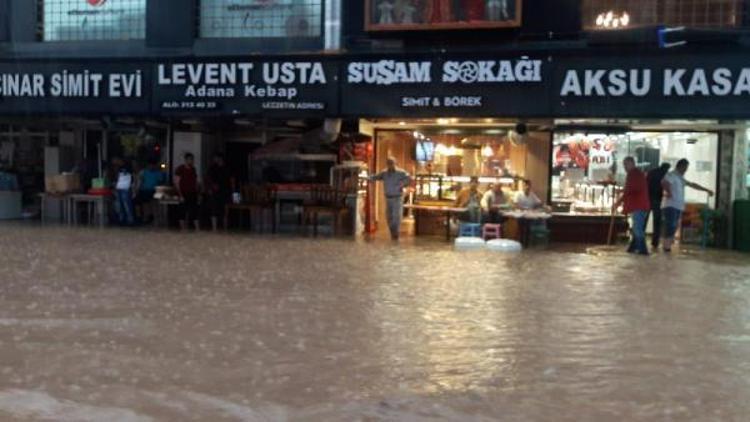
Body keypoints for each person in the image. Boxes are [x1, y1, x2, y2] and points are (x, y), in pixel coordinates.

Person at [661, 158, 714, 253]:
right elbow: (664, 182)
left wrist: (706, 190)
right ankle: (666, 245)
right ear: (680, 166)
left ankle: (667, 243)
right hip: (670, 205)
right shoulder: (672, 175)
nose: (686, 170)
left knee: (675, 225)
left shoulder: (680, 178)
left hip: (678, 206)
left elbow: (693, 185)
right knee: (671, 225)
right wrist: (669, 193)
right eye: (685, 168)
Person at [613, 157, 650, 255]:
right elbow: (631, 189)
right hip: (640, 205)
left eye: (626, 164)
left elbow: (631, 190)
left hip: (639, 205)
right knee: (636, 228)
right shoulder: (635, 174)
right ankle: (632, 248)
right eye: (624, 165)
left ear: (632, 163)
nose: (625, 167)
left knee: (637, 229)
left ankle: (643, 250)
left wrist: (618, 202)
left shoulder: (634, 174)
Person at [370, 157, 411, 241]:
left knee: (396, 217)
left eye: (392, 163)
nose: (390, 165)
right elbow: (376, 177)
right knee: (389, 217)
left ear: (395, 163)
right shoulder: (384, 173)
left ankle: (395, 234)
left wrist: (402, 185)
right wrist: (367, 177)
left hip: (397, 198)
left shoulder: (401, 173)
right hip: (388, 198)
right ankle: (393, 233)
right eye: (388, 163)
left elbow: (409, 179)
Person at [646, 163, 671, 249]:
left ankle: (639, 240)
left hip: (647, 198)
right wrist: (668, 193)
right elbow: (665, 185)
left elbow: (646, 183)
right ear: (666, 168)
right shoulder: (664, 174)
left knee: (644, 220)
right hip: (657, 199)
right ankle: (655, 242)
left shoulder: (651, 172)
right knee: (657, 221)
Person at [205, 153, 232, 231]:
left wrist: (233, 192)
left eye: (216, 158)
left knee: (225, 210)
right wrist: (210, 188)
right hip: (215, 191)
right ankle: (214, 228)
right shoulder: (212, 168)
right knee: (214, 209)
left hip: (226, 191)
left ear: (220, 159)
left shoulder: (227, 168)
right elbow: (208, 179)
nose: (214, 160)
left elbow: (231, 180)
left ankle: (225, 227)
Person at [174, 153, 200, 231]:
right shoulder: (180, 169)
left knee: (194, 210)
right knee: (182, 210)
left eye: (192, 160)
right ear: (186, 160)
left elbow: (195, 181)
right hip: (183, 192)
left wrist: (197, 192)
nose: (191, 161)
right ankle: (183, 228)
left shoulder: (193, 169)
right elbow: (177, 182)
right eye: (189, 159)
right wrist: (180, 194)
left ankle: (197, 228)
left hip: (192, 192)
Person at [136, 160, 165, 225]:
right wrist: (137, 189)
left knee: (155, 205)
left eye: (152, 165)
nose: (151, 167)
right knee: (145, 205)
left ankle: (156, 219)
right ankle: (146, 218)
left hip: (154, 190)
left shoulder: (158, 173)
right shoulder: (143, 172)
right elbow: (140, 181)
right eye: (150, 165)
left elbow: (161, 182)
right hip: (145, 190)